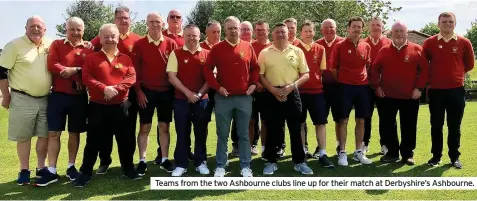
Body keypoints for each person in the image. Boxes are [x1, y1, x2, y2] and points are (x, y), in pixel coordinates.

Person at [74, 23, 139, 187]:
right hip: (98, 106)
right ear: (100, 39)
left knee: (125, 140)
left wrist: (116, 89)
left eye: (113, 36)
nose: (110, 39)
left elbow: (131, 77)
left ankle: (128, 169)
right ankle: (86, 172)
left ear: (117, 38)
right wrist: (103, 88)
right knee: (93, 141)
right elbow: (87, 77)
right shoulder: (91, 58)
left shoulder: (126, 58)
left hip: (121, 105)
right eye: (106, 36)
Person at [35, 17, 94, 186]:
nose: (76, 33)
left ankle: (71, 167)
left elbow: (91, 69)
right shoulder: (57, 44)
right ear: (66, 29)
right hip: (58, 97)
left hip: (79, 98)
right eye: (72, 29)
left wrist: (74, 70)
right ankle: (52, 170)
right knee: (54, 133)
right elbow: (52, 64)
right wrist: (66, 71)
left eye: (79, 30)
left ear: (83, 30)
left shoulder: (89, 48)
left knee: (74, 133)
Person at [203, 16, 259, 177]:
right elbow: (207, 69)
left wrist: (254, 84)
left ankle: (245, 166)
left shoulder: (248, 47)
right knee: (222, 134)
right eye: (230, 29)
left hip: (244, 97)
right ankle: (220, 165)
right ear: (225, 31)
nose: (233, 31)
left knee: (244, 135)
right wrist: (217, 87)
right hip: (224, 98)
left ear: (239, 29)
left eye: (236, 28)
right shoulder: (217, 48)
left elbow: (255, 68)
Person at [0, 15, 52, 186]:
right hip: (22, 97)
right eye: (32, 26)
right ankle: (24, 170)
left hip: (45, 98)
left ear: (45, 30)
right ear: (26, 28)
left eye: (39, 27)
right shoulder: (14, 45)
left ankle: (41, 167)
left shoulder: (50, 44)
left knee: (44, 135)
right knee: (24, 136)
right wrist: (6, 96)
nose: (36, 29)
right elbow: (2, 72)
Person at [91, 6, 142, 175]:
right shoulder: (104, 37)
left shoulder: (138, 40)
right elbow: (87, 52)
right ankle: (105, 160)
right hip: (106, 93)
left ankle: (128, 163)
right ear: (115, 20)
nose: (123, 20)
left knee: (127, 130)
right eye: (119, 17)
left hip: (130, 92)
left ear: (130, 20)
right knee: (105, 131)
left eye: (126, 17)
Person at [371, 21, 428, 166]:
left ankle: (407, 154)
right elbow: (375, 69)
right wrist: (377, 86)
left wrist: (419, 88)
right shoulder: (383, 50)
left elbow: (425, 70)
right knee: (388, 126)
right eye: (396, 30)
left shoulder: (417, 49)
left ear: (406, 32)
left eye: (401, 30)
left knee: (409, 126)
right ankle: (392, 153)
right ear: (391, 32)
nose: (398, 33)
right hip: (387, 96)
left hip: (410, 96)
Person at [259, 22, 313, 175]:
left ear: (288, 33)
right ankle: (271, 161)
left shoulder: (297, 51)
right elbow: (260, 75)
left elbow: (306, 74)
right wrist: (273, 90)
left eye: (283, 32)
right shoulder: (265, 52)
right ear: (273, 34)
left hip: (292, 93)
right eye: (277, 32)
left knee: (295, 129)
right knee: (273, 129)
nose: (281, 34)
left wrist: (291, 87)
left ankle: (299, 162)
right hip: (271, 94)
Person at [422, 12, 475, 169]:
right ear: (438, 24)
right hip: (436, 91)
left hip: (456, 91)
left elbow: (469, 65)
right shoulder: (429, 43)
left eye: (450, 21)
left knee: (454, 126)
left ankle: (454, 157)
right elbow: (424, 64)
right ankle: (436, 156)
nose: (447, 24)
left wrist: (455, 74)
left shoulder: (464, 42)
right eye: (444, 21)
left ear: (455, 23)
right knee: (436, 125)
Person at [131, 12, 178, 174]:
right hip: (146, 92)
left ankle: (165, 159)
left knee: (164, 127)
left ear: (162, 23)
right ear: (147, 24)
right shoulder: (139, 44)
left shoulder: (171, 43)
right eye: (151, 22)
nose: (155, 24)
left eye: (157, 21)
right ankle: (142, 160)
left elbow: (175, 70)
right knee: (145, 127)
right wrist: (138, 92)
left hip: (166, 92)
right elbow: (134, 71)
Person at [167, 24, 212, 177]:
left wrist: (198, 94)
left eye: (194, 35)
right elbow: (172, 77)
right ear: (183, 36)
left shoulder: (207, 53)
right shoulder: (176, 53)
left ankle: (200, 162)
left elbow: (212, 78)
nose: (192, 38)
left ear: (200, 36)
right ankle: (181, 163)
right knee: (182, 132)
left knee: (201, 132)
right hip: (181, 100)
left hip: (202, 100)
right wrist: (188, 93)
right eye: (188, 36)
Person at [330, 17, 372, 166]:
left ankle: (358, 152)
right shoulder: (339, 46)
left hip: (362, 87)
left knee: (361, 120)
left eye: (359, 27)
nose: (356, 29)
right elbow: (333, 69)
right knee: (343, 120)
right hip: (344, 87)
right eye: (354, 26)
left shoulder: (366, 46)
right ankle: (342, 152)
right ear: (348, 28)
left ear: (362, 29)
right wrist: (343, 80)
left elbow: (367, 66)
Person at [297, 20, 333, 168]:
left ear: (314, 32)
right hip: (299, 92)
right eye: (305, 31)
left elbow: (321, 70)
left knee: (320, 123)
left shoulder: (320, 49)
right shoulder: (294, 48)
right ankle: (302, 152)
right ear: (301, 33)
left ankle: (322, 153)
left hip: (317, 92)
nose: (308, 33)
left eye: (311, 30)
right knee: (300, 123)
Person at [362, 16, 393, 155]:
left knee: (385, 117)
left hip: (384, 87)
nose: (375, 27)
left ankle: (385, 144)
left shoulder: (390, 44)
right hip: (366, 87)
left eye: (378, 25)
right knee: (365, 116)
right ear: (368, 27)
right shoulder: (362, 43)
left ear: (382, 27)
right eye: (373, 25)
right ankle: (364, 143)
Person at [315, 19, 344, 156]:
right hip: (322, 88)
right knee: (321, 119)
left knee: (339, 119)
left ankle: (339, 146)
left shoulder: (343, 43)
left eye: (331, 27)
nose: (329, 30)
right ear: (321, 30)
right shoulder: (317, 45)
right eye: (326, 28)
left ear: (336, 28)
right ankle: (320, 147)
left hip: (339, 88)